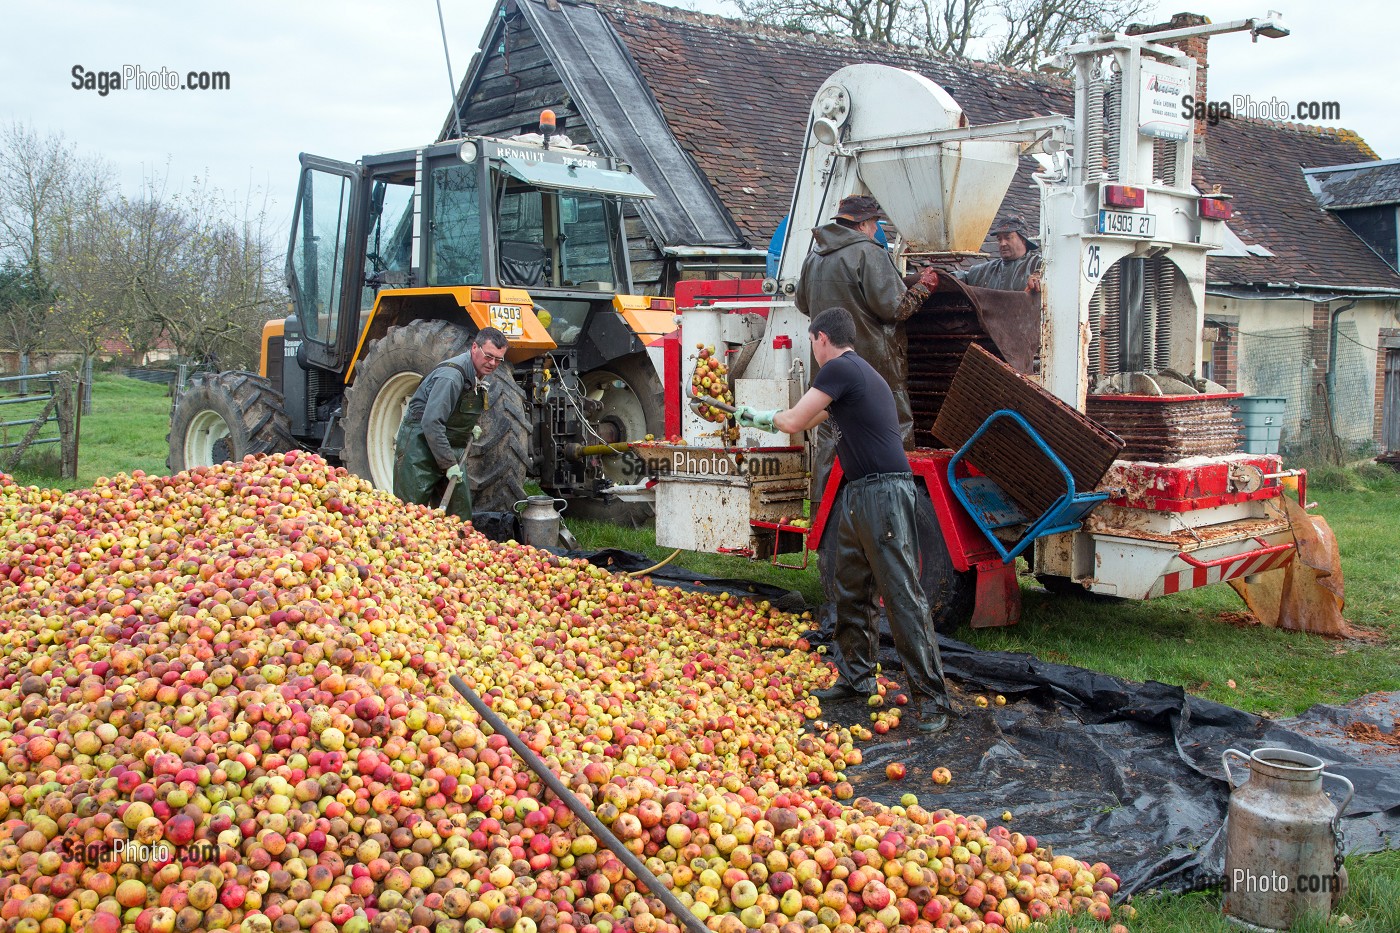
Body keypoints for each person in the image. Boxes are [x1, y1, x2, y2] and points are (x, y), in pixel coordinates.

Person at [735, 307, 953, 735]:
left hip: (884, 492)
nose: (812, 351)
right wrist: (767, 418)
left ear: (820, 339)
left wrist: (760, 417)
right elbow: (809, 420)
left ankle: (933, 700)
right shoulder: (855, 375)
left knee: (901, 592)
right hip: (860, 491)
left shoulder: (840, 369)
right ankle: (856, 678)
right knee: (850, 588)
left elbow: (794, 420)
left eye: (811, 342)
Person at [795, 195, 937, 646]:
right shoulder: (869, 254)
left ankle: (832, 549)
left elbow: (805, 306)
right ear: (866, 224)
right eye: (878, 224)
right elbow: (895, 308)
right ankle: (895, 551)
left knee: (832, 458)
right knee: (890, 453)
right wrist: (925, 285)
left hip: (827, 380)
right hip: (876, 374)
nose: (880, 231)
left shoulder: (814, 256)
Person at [392, 328, 509, 521]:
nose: (493, 363)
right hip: (420, 447)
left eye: (498, 359)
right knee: (409, 516)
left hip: (450, 449)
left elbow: (454, 408)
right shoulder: (451, 376)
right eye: (489, 356)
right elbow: (431, 422)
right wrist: (448, 464)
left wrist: (466, 426)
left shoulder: (478, 374)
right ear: (474, 347)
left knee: (459, 517)